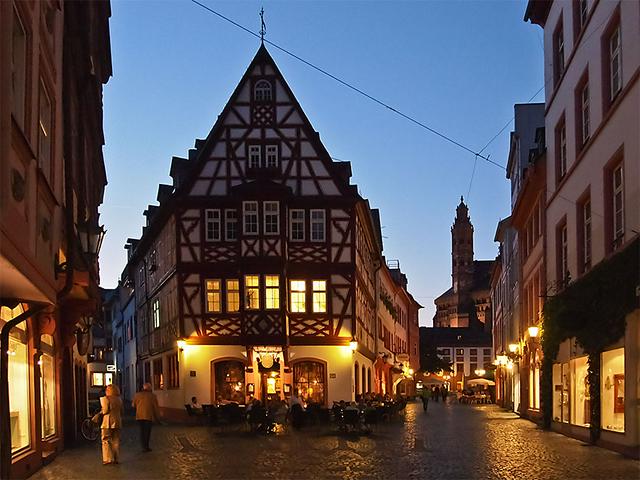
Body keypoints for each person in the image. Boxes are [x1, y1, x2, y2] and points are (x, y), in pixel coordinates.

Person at [132, 383, 160, 452]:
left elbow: (133, 405)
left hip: (139, 416)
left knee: (142, 431)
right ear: (150, 388)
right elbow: (155, 407)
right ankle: (146, 446)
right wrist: (157, 417)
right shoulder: (152, 396)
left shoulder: (137, 395)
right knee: (147, 431)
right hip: (148, 416)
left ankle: (143, 445)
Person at [100, 384, 123, 465]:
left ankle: (108, 459)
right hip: (117, 421)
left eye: (107, 390)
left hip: (107, 422)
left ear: (108, 391)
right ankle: (116, 458)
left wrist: (100, 411)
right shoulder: (119, 399)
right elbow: (122, 411)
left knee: (105, 440)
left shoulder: (106, 399)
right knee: (116, 440)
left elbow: (105, 411)